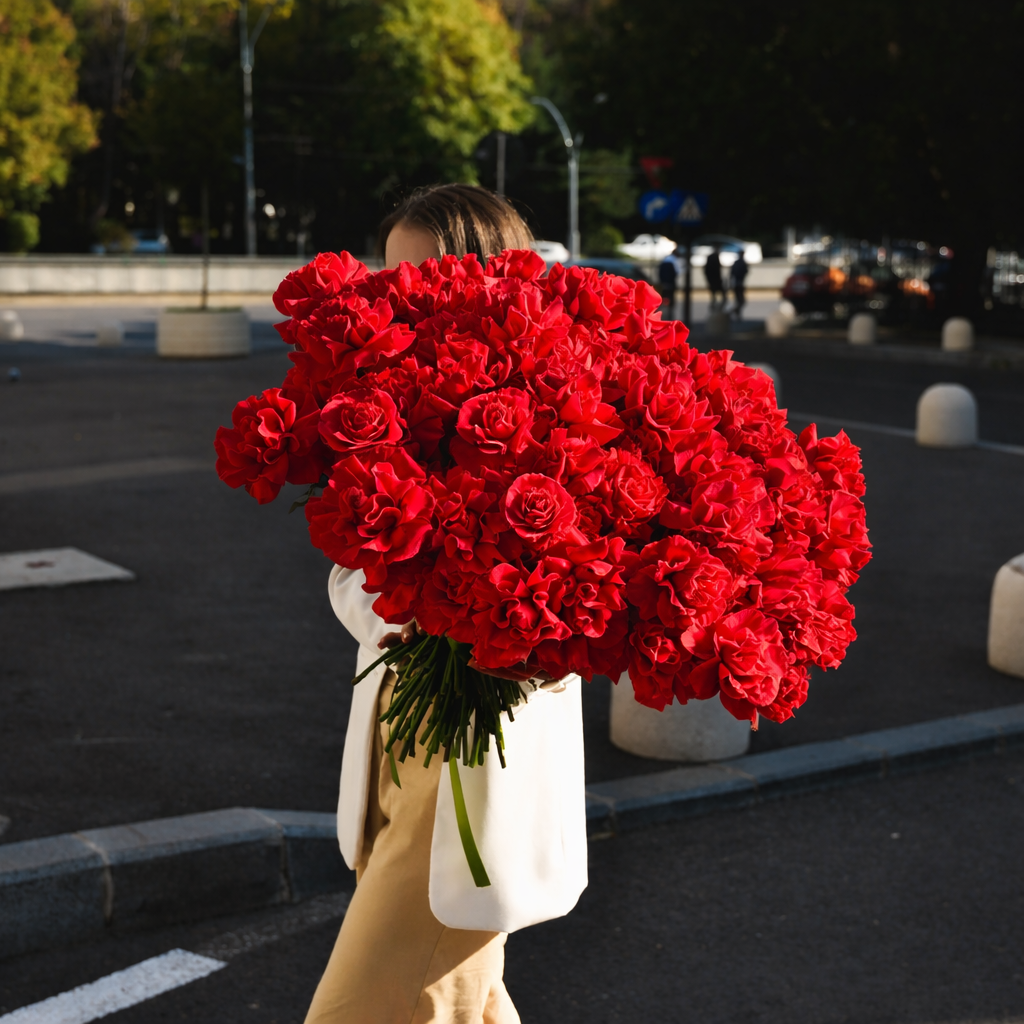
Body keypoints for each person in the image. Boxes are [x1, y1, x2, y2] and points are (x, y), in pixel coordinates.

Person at [304, 184, 588, 1024]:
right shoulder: (386, 400)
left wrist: (481, 603)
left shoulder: (555, 406)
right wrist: (409, 587)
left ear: (487, 278)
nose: (400, 299)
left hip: (471, 766)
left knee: (367, 1007)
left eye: (423, 278)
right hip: (398, 739)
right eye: (389, 279)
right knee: (462, 1002)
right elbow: (351, 583)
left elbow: (581, 599)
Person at [730, 250, 748, 320]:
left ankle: (737, 313)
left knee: (739, 301)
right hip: (739, 284)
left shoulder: (737, 263)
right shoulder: (741, 263)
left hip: (737, 284)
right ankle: (735, 312)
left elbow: (731, 273)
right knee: (741, 301)